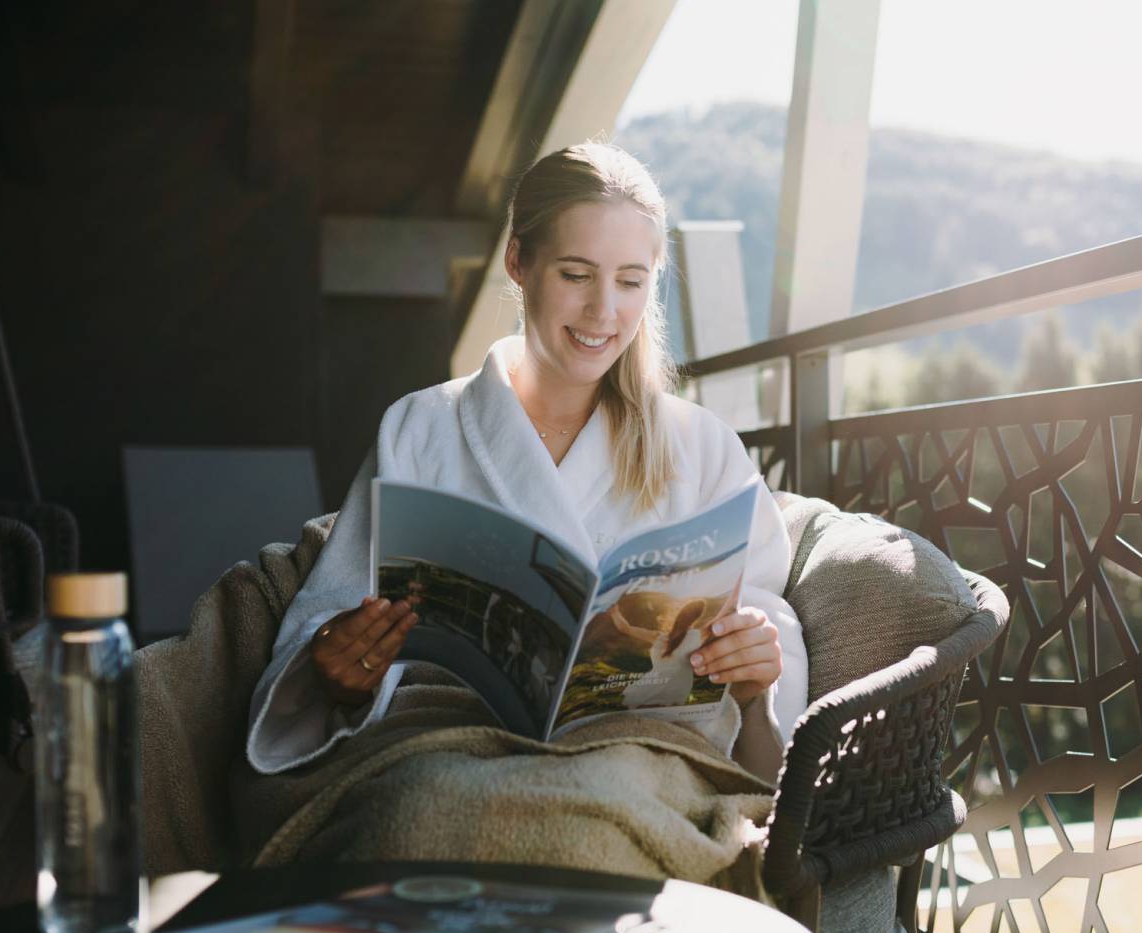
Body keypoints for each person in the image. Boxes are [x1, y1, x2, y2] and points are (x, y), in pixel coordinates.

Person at [246, 142, 807, 779]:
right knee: (421, 811)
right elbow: (332, 617)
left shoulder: (701, 447)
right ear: (519, 261)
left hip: (643, 762)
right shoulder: (422, 427)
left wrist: (755, 668)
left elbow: (766, 612)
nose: (603, 311)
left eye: (630, 281)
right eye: (575, 275)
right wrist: (339, 672)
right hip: (446, 753)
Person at [614, 597, 709, 710]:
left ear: (679, 615)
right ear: (696, 618)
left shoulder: (659, 638)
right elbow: (717, 623)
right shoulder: (696, 636)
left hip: (649, 687)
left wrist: (613, 611)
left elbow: (625, 628)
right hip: (675, 692)